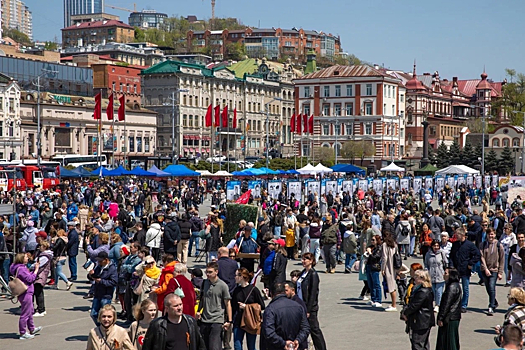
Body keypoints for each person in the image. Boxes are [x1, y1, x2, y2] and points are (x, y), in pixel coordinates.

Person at [260, 282, 310, 350]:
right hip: (295, 347)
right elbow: (305, 328)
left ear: (271, 294)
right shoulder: (298, 306)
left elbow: (268, 332)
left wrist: (283, 343)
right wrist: (298, 340)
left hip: (277, 347)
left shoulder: (270, 309)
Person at [196, 261, 232, 350]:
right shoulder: (204, 283)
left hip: (217, 320)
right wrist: (198, 311)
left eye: (210, 272)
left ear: (216, 272)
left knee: (214, 347)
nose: (207, 274)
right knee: (203, 347)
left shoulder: (223, 285)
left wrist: (229, 321)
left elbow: (227, 304)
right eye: (206, 272)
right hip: (204, 319)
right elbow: (202, 299)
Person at [296, 252, 326, 350]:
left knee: (314, 330)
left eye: (306, 259)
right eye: (302, 259)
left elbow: (313, 293)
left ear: (311, 261)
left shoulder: (313, 274)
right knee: (302, 329)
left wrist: (308, 310)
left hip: (309, 307)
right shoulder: (303, 273)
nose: (303, 261)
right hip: (300, 304)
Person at [10, 252, 42, 340]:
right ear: (21, 259)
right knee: (25, 313)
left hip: (26, 292)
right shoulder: (21, 269)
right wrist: (35, 270)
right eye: (25, 257)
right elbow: (30, 279)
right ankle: (23, 332)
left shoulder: (20, 267)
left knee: (30, 311)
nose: (27, 258)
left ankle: (32, 328)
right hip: (25, 292)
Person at [231, 267, 265, 350]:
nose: (234, 277)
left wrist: (246, 307)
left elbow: (262, 306)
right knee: (237, 345)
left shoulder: (254, 290)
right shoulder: (236, 290)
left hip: (250, 320)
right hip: (238, 320)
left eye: (236, 275)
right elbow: (233, 306)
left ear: (241, 277)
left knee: (251, 345)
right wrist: (229, 320)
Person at [449, 227, 480, 312]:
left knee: (465, 288)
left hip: (465, 270)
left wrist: (470, 263)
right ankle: (454, 303)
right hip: (456, 270)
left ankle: (463, 305)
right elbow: (451, 256)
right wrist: (451, 266)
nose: (455, 236)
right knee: (454, 288)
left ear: (462, 235)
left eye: (457, 234)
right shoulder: (455, 244)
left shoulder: (469, 245)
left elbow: (477, 255)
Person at [402, 269, 435, 350]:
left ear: (422, 278)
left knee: (418, 344)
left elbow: (414, 306)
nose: (414, 278)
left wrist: (405, 313)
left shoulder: (423, 291)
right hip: (423, 320)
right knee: (423, 343)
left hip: (421, 321)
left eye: (416, 277)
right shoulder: (420, 289)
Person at [88, 251, 118, 325]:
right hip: (98, 294)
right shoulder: (99, 266)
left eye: (101, 261)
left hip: (106, 295)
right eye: (98, 260)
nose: (99, 262)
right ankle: (100, 328)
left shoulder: (112, 268)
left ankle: (105, 329)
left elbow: (114, 282)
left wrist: (101, 281)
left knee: (105, 315)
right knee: (94, 314)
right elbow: (94, 277)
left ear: (106, 259)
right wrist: (91, 275)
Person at [480, 227, 505, 315]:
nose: (491, 236)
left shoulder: (499, 245)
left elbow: (502, 259)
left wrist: (500, 272)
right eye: (489, 234)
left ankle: (491, 306)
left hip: (494, 269)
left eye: (492, 234)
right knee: (488, 288)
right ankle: (494, 301)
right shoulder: (483, 245)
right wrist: (485, 269)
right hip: (485, 269)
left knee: (491, 287)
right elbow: (481, 257)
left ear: (494, 235)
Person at [435, 268, 462, 350]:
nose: (444, 274)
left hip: (450, 317)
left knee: (449, 340)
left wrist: (441, 317)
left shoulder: (452, 287)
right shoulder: (454, 285)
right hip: (453, 317)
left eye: (446, 273)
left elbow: (446, 304)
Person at [425, 239, 448, 312]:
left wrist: (446, 271)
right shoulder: (428, 254)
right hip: (431, 275)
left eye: (437, 245)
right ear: (432, 246)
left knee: (439, 292)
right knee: (433, 292)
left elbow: (446, 262)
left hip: (440, 275)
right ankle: (434, 303)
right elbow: (426, 264)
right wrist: (426, 273)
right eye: (434, 245)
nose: (436, 247)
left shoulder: (442, 253)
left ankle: (438, 305)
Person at [33, 241, 53, 317]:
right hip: (40, 275)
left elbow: (38, 265)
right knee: (38, 292)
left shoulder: (45, 256)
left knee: (38, 293)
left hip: (41, 275)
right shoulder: (43, 255)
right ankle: (41, 309)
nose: (39, 247)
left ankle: (41, 309)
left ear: (44, 247)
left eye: (41, 246)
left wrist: (31, 266)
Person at [382, 234, 399, 312]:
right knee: (392, 285)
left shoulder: (385, 245)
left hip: (388, 266)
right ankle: (393, 303)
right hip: (394, 266)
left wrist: (383, 268)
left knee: (391, 286)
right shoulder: (394, 244)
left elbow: (384, 257)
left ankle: (394, 305)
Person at [365, 235, 383, 307]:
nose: (372, 241)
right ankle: (373, 299)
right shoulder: (371, 247)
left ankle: (378, 300)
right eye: (371, 240)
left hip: (375, 267)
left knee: (376, 284)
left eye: (373, 240)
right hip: (369, 265)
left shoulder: (379, 248)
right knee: (370, 284)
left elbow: (376, 258)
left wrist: (370, 253)